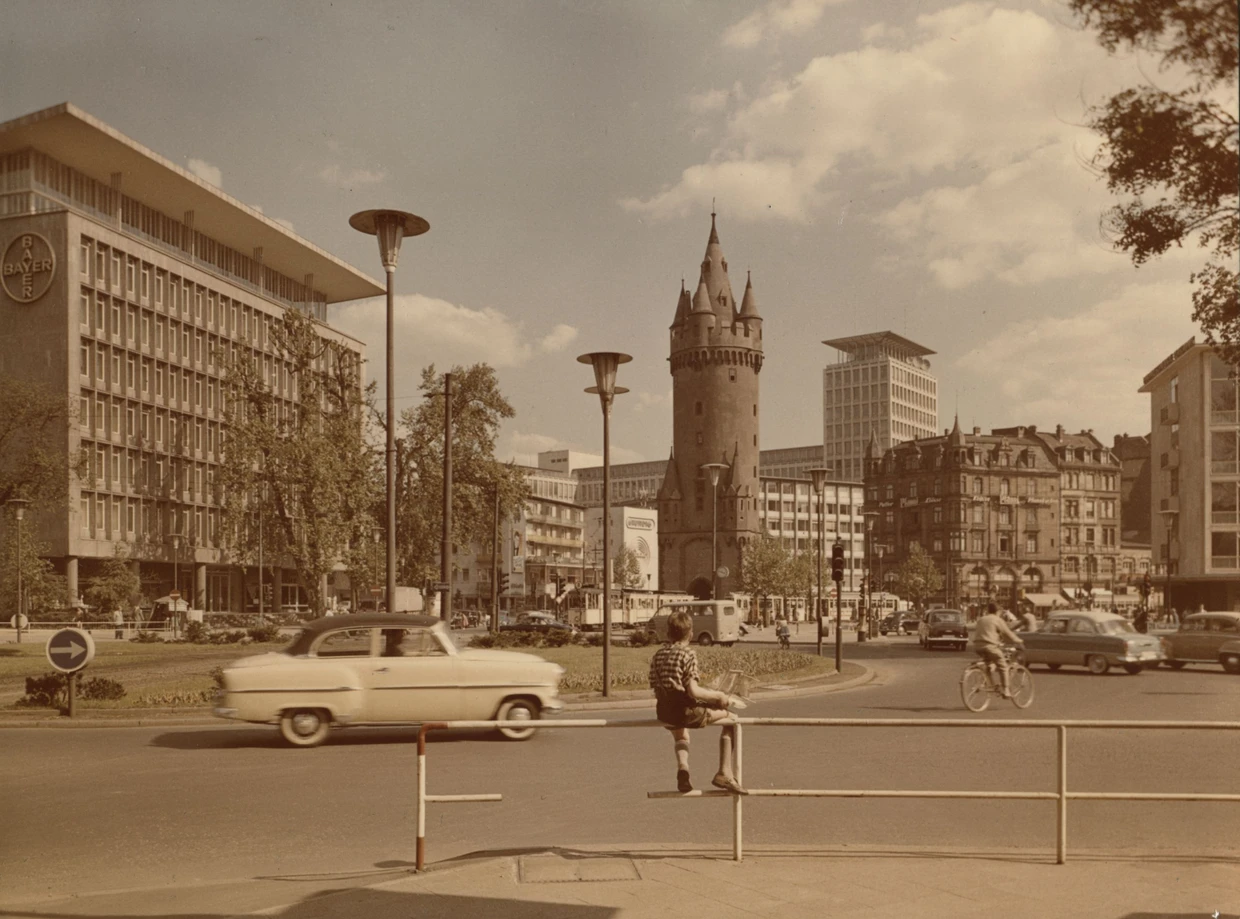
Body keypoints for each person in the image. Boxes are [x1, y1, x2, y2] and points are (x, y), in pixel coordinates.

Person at [649, 609, 746, 795]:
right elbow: (693, 691)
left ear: (668, 633)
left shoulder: (658, 655)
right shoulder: (688, 654)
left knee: (681, 736)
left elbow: (657, 687)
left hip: (665, 712)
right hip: (687, 712)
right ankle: (724, 772)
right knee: (732, 719)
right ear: (691, 634)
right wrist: (719, 697)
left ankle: (683, 770)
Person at [971, 602, 1024, 699]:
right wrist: (1019, 641)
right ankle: (1006, 690)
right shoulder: (997, 620)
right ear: (998, 611)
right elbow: (1008, 633)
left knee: (989, 664)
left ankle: (991, 684)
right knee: (1003, 665)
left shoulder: (981, 619)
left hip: (977, 646)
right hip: (990, 647)